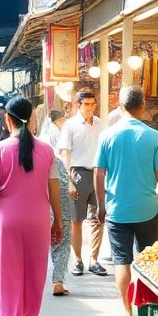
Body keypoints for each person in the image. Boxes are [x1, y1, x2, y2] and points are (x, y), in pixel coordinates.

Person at [0, 96, 63, 316]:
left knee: (8, 280)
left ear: (8, 120)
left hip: (6, 222)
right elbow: (54, 188)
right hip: (38, 220)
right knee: (34, 274)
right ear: (32, 118)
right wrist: (58, 220)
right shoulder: (46, 150)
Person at [95, 85, 158, 316]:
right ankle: (147, 313)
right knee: (147, 261)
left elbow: (99, 174)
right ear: (142, 106)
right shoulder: (153, 136)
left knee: (122, 262)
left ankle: (126, 314)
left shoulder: (107, 136)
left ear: (120, 106)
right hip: (147, 210)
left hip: (117, 210)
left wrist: (101, 206)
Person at [57, 91, 108, 277]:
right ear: (78, 105)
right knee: (76, 221)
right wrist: (69, 180)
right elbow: (65, 154)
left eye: (93, 104)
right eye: (86, 104)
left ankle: (94, 259)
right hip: (78, 174)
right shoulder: (70, 125)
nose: (90, 108)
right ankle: (78, 260)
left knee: (98, 218)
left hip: (99, 173)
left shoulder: (101, 124)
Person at [43, 109, 73, 296]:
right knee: (61, 240)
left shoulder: (9, 152)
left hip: (30, 208)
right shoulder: (49, 151)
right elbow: (61, 182)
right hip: (55, 199)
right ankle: (58, 280)